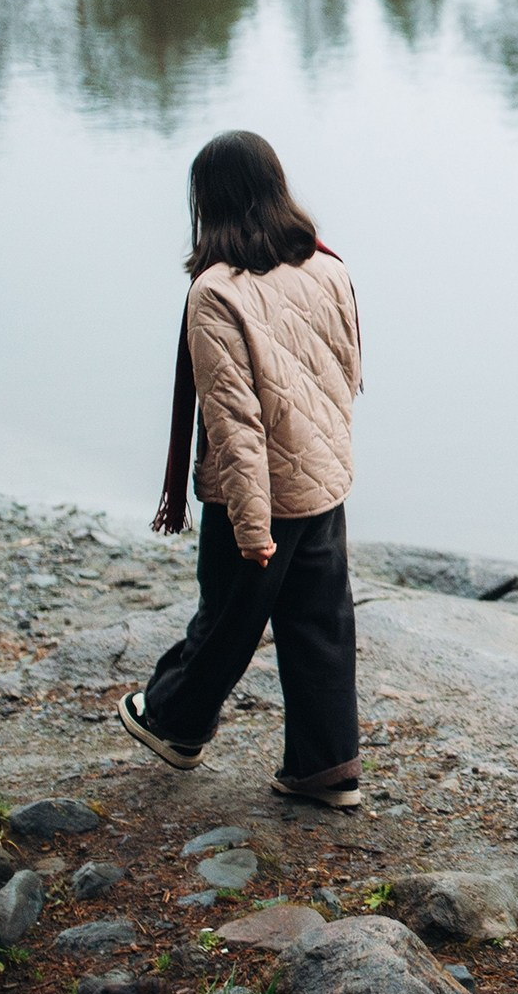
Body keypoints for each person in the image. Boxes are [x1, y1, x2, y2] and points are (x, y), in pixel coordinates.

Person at [119, 130, 366, 811]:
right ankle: (326, 766)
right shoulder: (328, 265)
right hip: (322, 479)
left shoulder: (216, 292)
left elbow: (233, 423)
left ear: (210, 202)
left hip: (257, 495)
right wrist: (329, 460)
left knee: (228, 616)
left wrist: (253, 527)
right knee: (321, 624)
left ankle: (174, 721)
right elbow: (349, 374)